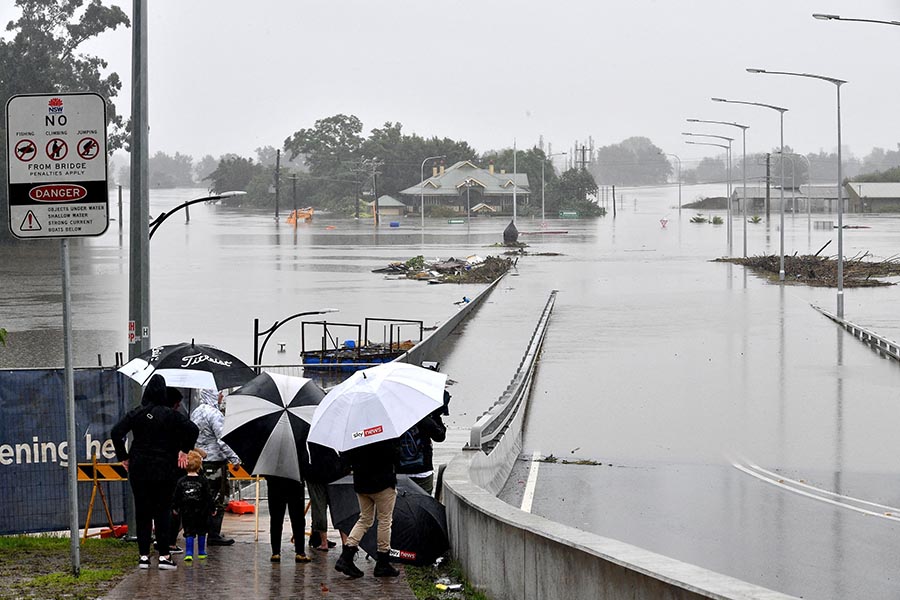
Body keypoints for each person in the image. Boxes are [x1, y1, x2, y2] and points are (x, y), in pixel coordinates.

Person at [111, 374, 199, 570]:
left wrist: (123, 456)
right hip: (164, 468)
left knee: (142, 511)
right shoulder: (171, 415)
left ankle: (143, 556)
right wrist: (184, 450)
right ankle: (164, 556)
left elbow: (116, 432)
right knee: (162, 511)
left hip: (139, 467)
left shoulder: (137, 413)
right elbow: (193, 429)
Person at [334, 438, 400, 579]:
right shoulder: (384, 433)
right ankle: (383, 562)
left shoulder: (355, 434)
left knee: (364, 519)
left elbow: (345, 460)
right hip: (383, 484)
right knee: (384, 521)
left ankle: (346, 556)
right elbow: (396, 456)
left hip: (362, 484)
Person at [190, 388, 241, 546]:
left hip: (200, 461)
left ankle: (202, 531)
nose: (221, 396)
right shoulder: (215, 414)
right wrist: (234, 458)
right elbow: (223, 439)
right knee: (218, 497)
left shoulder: (195, 412)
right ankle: (213, 533)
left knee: (202, 497)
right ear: (212, 395)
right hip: (215, 461)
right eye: (219, 393)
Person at [396, 391, 448, 495]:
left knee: (399, 506)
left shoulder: (393, 418)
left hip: (398, 472)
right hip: (422, 472)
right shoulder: (422, 417)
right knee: (424, 502)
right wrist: (437, 416)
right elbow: (439, 437)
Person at [171, 449, 214, 562]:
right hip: (202, 511)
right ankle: (201, 551)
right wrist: (212, 508)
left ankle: (189, 552)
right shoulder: (203, 480)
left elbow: (177, 496)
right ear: (200, 465)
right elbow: (208, 496)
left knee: (189, 531)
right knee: (201, 530)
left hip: (186, 511)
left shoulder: (181, 481)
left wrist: (175, 507)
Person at [264, 475, 311, 564]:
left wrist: (269, 477)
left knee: (276, 520)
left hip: (275, 483)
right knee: (298, 520)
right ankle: (300, 552)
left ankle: (276, 552)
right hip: (295, 482)